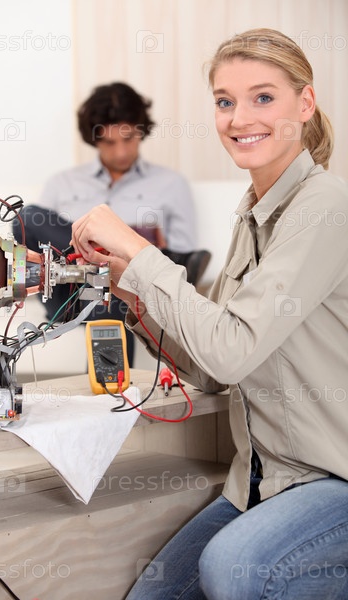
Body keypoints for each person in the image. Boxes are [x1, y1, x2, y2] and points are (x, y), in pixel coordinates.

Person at [70, 28, 348, 599]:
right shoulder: (252, 214)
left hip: (331, 478)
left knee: (234, 565)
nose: (239, 118)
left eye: (263, 97)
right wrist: (132, 294)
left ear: (305, 103)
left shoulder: (325, 205)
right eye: (225, 101)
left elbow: (229, 350)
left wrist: (139, 250)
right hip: (260, 482)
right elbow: (213, 369)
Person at [13, 82, 205, 366]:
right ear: (94, 139)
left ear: (141, 131)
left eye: (129, 139)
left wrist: (128, 248)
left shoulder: (171, 185)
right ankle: (108, 264)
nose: (121, 152)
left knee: (113, 283)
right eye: (109, 142)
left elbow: (182, 262)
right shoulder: (63, 184)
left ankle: (111, 389)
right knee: (27, 217)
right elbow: (37, 246)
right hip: (70, 293)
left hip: (128, 288)